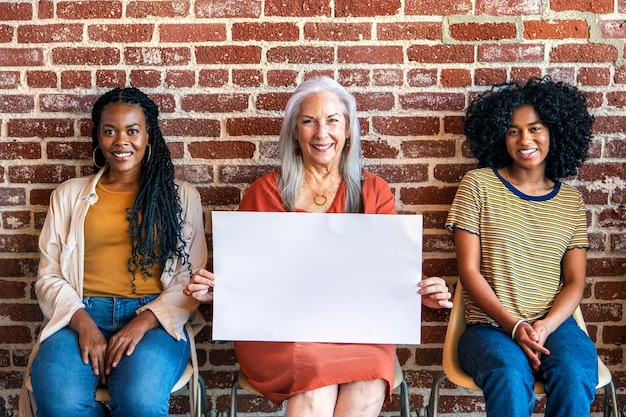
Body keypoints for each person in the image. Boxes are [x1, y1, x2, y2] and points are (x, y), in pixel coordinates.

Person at [185, 75, 453, 417]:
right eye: (309, 121)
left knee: (369, 383)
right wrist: (219, 291)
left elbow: (388, 272)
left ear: (349, 131)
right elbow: (247, 276)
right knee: (317, 386)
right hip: (282, 330)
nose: (321, 133)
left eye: (332, 121)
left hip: (358, 328)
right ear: (295, 131)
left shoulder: (374, 192)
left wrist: (419, 293)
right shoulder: (265, 192)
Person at [19, 87, 207, 417]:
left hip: (153, 319)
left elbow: (190, 279)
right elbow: (48, 275)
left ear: (149, 136)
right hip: (78, 314)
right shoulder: (68, 195)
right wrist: (84, 324)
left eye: (132, 131)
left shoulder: (181, 197)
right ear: (99, 138)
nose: (121, 141)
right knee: (60, 406)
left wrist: (143, 323)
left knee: (140, 403)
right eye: (110, 131)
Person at [445, 77, 598, 417]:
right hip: (490, 327)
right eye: (513, 130)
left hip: (555, 326)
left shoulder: (571, 201)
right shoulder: (478, 186)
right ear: (500, 135)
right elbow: (468, 271)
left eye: (535, 128)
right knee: (511, 377)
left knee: (575, 375)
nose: (524, 139)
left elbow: (574, 282)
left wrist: (544, 326)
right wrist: (514, 325)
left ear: (555, 132)